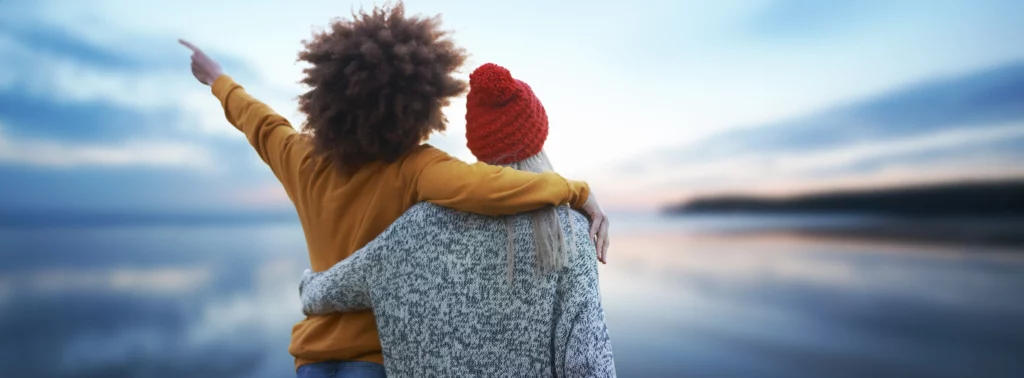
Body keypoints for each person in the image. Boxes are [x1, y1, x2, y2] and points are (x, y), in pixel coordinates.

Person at [178, 3, 609, 377]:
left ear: (327, 97)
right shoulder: (414, 168)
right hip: (374, 357)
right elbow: (489, 187)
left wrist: (218, 79)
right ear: (416, 103)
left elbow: (260, 122)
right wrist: (576, 191)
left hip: (309, 357)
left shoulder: (302, 160)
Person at [298, 62, 616, 377]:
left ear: (476, 146)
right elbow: (589, 365)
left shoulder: (412, 229)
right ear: (540, 133)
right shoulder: (571, 235)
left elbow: (319, 295)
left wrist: (307, 283)